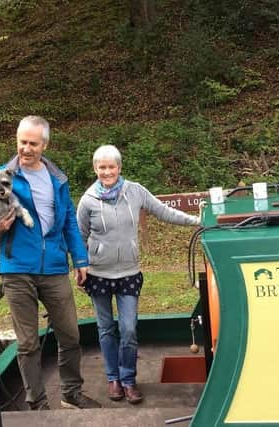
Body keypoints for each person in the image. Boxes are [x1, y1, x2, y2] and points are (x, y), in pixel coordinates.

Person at [0, 115, 101, 411]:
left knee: (70, 335)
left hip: (54, 267)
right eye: (21, 142)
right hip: (17, 268)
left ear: (45, 144)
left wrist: (80, 259)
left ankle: (71, 393)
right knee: (28, 343)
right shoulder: (0, 176)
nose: (25, 149)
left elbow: (68, 220)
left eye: (32, 143)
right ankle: (38, 404)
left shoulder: (58, 178)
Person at [76, 145, 200, 404]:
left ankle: (129, 380)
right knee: (106, 328)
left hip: (128, 273)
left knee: (129, 328)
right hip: (98, 274)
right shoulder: (88, 200)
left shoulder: (135, 191)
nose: (107, 171)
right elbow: (79, 236)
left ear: (119, 168)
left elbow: (163, 211)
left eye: (112, 167)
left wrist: (195, 221)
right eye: (102, 167)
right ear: (95, 169)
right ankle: (113, 379)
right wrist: (79, 266)